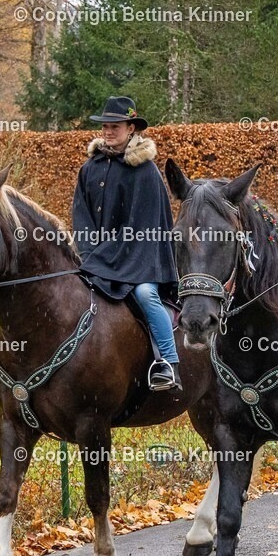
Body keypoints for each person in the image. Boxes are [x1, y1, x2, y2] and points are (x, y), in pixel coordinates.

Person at [72, 96, 181, 391]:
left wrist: (105, 257)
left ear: (131, 128)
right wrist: (88, 252)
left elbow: (142, 228)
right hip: (97, 257)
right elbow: (81, 215)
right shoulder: (89, 168)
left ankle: (168, 363)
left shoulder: (145, 171)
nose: (108, 132)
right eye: (105, 126)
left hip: (141, 260)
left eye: (115, 126)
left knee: (146, 295)